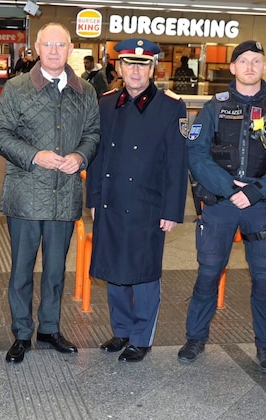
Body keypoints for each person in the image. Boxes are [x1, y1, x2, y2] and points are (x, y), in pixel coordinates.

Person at [178, 40, 266, 374]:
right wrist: (226, 187)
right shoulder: (214, 107)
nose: (250, 67)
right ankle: (195, 338)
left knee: (265, 279)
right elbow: (195, 153)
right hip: (221, 203)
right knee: (208, 273)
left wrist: (257, 190)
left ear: (264, 67)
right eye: (243, 61)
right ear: (232, 68)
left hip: (261, 203)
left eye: (256, 61)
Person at [0, 22, 100, 364]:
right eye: (48, 45)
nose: (54, 51)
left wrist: (81, 156)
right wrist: (34, 155)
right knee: (21, 270)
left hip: (64, 195)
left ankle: (49, 329)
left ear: (70, 49)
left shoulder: (85, 91)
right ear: (37, 48)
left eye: (61, 45)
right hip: (25, 195)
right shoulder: (17, 88)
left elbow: (93, 132)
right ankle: (22, 333)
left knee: (55, 270)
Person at [87, 38, 189, 363]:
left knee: (144, 272)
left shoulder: (171, 106)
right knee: (114, 267)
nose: (135, 70)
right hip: (111, 201)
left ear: (153, 68)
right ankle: (121, 330)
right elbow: (97, 155)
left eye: (142, 64)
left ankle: (141, 337)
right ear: (118, 67)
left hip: (149, 204)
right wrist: (93, 198)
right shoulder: (105, 103)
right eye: (129, 63)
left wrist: (172, 210)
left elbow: (177, 162)